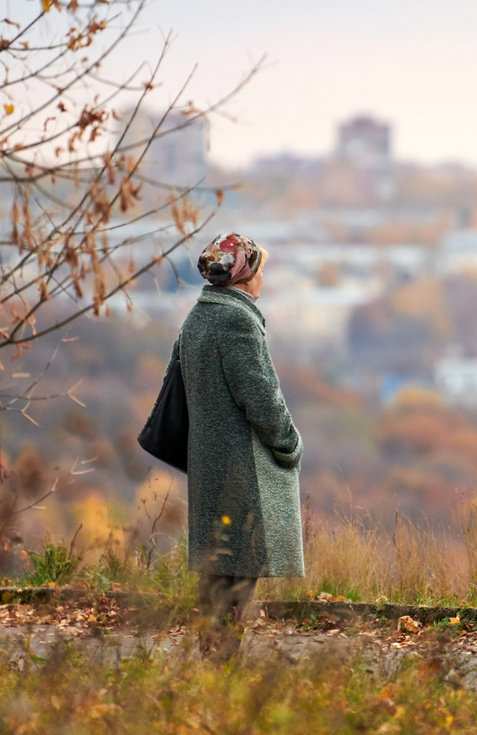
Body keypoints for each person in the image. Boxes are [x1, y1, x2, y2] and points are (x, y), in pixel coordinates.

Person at [174, 232, 304, 659]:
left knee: (219, 569)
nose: (263, 276)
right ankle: (220, 666)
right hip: (241, 466)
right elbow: (262, 398)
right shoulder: (237, 321)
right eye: (261, 267)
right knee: (240, 569)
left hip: (210, 461)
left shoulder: (197, 317)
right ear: (246, 276)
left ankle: (214, 662)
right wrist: (289, 444)